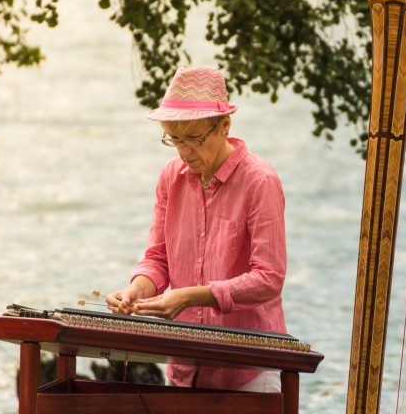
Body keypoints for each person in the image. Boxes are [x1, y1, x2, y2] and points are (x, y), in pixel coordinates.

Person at [105, 66, 287, 393]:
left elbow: (269, 278)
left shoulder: (261, 182)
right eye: (174, 140)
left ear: (224, 126)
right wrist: (138, 290)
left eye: (193, 139)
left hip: (249, 370)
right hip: (183, 366)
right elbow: (158, 259)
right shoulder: (170, 178)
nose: (184, 151)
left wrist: (191, 296)